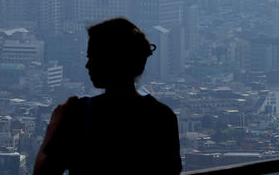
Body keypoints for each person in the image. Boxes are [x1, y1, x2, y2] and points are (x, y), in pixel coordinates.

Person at [34, 18, 182, 174]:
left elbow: (44, 173)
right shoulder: (162, 116)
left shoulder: (81, 113)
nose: (88, 64)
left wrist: (53, 128)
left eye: (92, 57)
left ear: (110, 61)